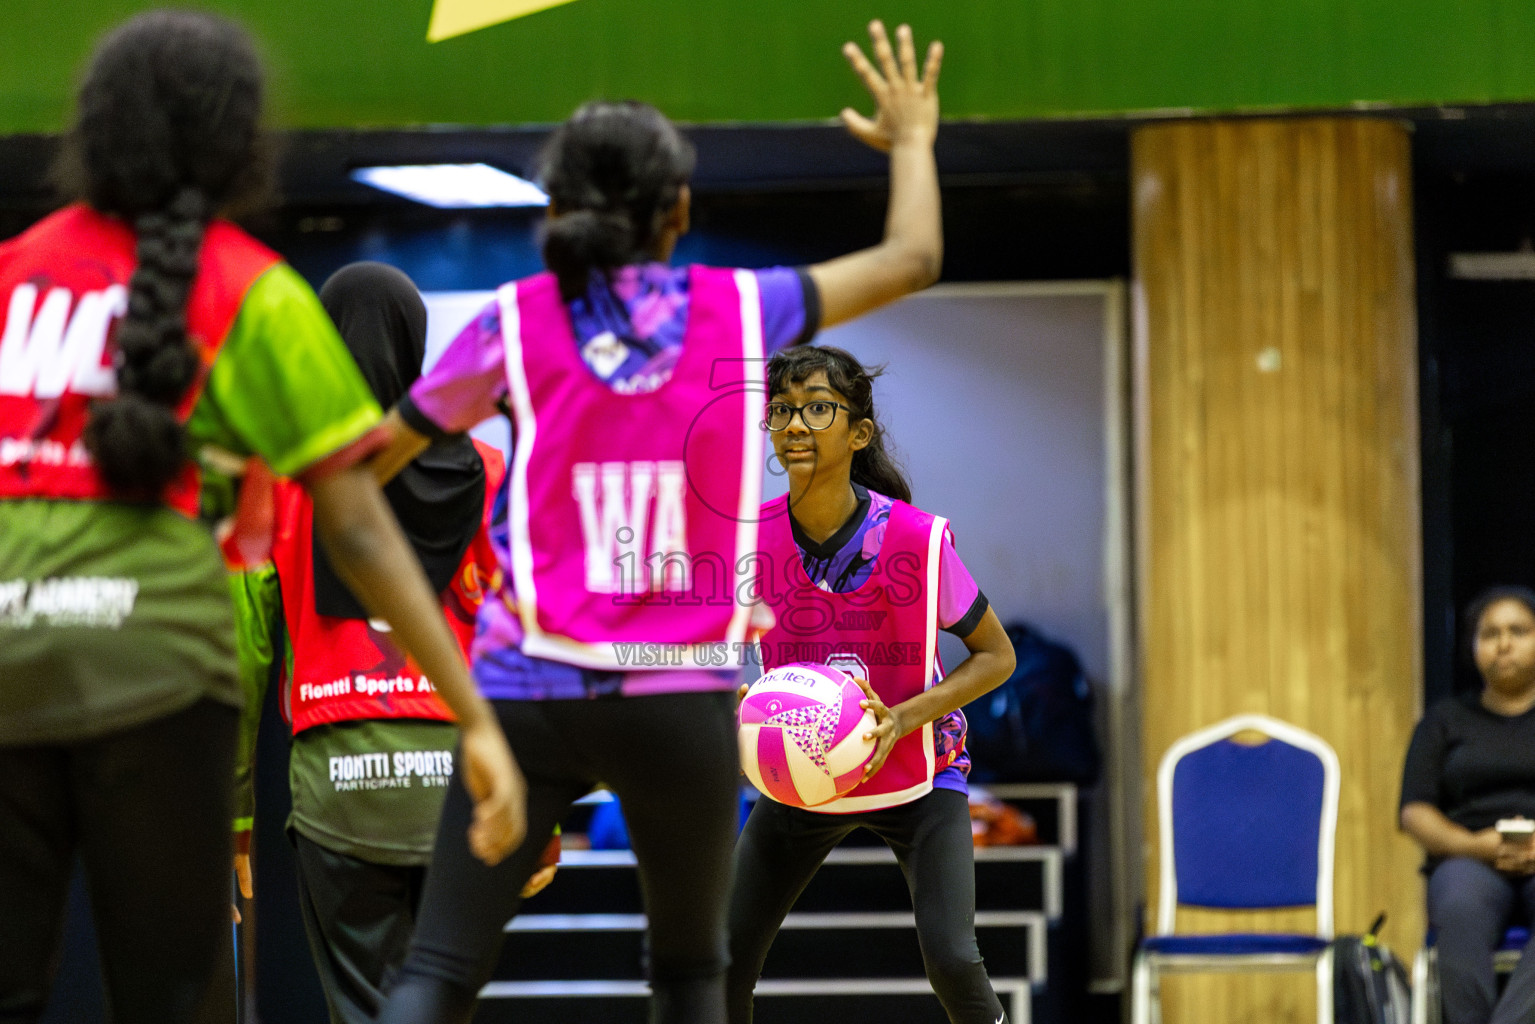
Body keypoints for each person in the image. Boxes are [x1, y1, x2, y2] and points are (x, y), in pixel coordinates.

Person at [370, 20, 946, 1024]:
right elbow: (912, 257)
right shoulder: (741, 305)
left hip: (527, 683)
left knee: (439, 970)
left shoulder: (510, 320)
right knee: (688, 974)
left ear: (554, 212)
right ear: (678, 211)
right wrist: (908, 141)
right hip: (677, 696)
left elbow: (366, 465)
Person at [0, 14, 522, 1024]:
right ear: (239, 137)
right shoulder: (251, 289)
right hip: (155, 673)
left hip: (11, 662)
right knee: (174, 991)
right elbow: (362, 526)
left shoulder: (12, 271)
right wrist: (475, 711)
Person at [226, 263, 556, 1024]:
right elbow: (530, 646)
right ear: (418, 348)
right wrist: (541, 813)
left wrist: (233, 815)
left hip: (339, 786)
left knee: (367, 1009)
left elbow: (241, 656)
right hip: (464, 781)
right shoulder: (496, 473)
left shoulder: (279, 483)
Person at [725, 345, 1017, 1024]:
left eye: (817, 408)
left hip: (916, 772)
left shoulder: (918, 542)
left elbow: (994, 657)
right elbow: (708, 653)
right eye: (781, 411)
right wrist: (731, 696)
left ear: (858, 434)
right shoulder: (748, 541)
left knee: (950, 958)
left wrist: (905, 717)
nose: (795, 424)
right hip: (797, 772)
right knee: (723, 956)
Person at [1401, 586, 1535, 1024]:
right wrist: (1477, 846)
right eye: (1490, 633)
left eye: (1518, 631)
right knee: (1459, 906)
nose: (1504, 644)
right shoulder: (1444, 721)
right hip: (1467, 858)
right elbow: (1416, 811)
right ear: (1473, 646)